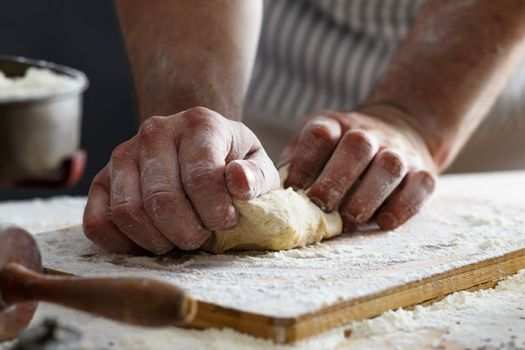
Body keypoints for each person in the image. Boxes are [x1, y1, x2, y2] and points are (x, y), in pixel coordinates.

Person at [6, 2, 525, 255]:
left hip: (486, 118)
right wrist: (192, 130)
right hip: (264, 95)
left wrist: (413, 118)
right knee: (220, 201)